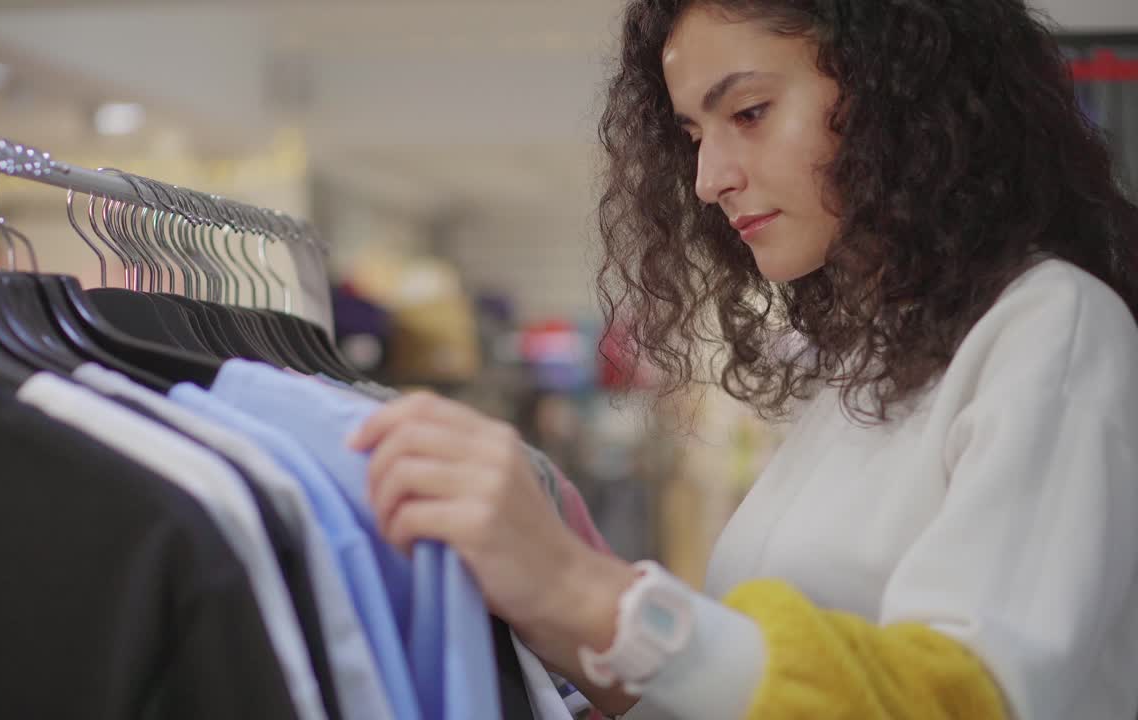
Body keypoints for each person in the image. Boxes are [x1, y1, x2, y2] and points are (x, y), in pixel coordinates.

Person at [348, 1, 1138, 718]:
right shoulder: (875, 361)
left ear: (900, 90)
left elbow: (965, 698)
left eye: (750, 113)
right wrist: (553, 605)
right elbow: (750, 695)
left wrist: (591, 594)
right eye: (694, 136)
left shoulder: (1052, 326)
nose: (707, 180)